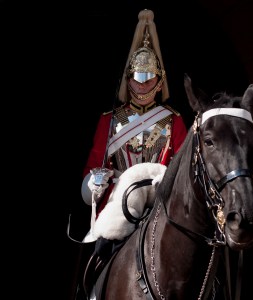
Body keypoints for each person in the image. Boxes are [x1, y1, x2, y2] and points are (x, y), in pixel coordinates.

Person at [73, 8, 188, 299]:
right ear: (128, 79)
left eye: (149, 80)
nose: (142, 85)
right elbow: (94, 165)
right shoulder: (109, 120)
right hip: (117, 203)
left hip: (160, 203)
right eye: (137, 79)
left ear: (159, 82)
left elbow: (182, 169)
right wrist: (94, 184)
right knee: (97, 254)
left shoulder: (173, 121)